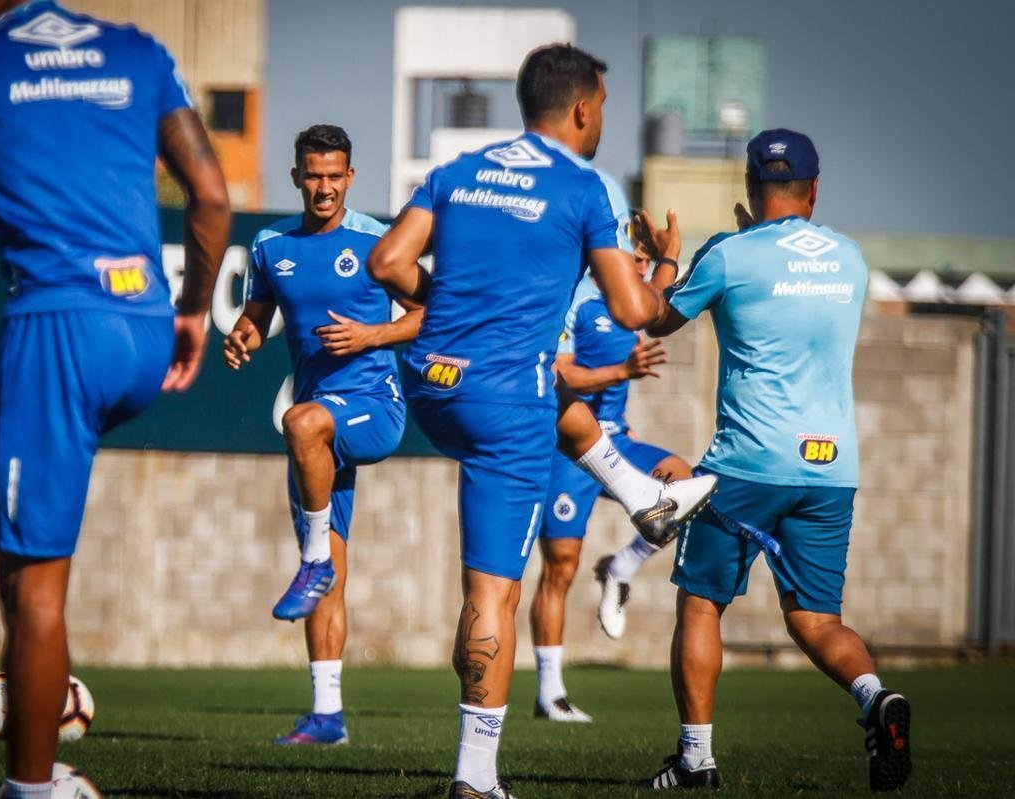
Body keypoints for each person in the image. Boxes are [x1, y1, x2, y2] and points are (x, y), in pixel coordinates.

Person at [0, 2, 231, 796]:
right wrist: (194, 310)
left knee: (35, 592)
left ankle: (28, 788)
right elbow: (210, 196)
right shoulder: (137, 49)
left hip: (57, 331)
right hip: (140, 325)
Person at [368, 43, 712, 799]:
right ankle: (475, 779)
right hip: (503, 401)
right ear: (585, 108)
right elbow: (632, 311)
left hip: (432, 380)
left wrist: (447, 303)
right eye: (603, 111)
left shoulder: (459, 170)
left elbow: (387, 262)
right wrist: (666, 272)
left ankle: (641, 496)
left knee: (564, 405)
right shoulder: (583, 188)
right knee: (493, 592)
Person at [633, 129, 911, 792]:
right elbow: (792, 269)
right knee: (815, 618)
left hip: (748, 464)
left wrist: (671, 259)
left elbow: (656, 318)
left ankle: (696, 757)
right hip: (830, 468)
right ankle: (876, 698)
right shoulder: (849, 258)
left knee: (701, 603)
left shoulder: (730, 253)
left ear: (751, 190)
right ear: (814, 189)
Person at [223, 124, 421, 747]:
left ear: (350, 178)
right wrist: (243, 338)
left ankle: (311, 561)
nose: (325, 187)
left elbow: (434, 311)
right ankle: (327, 716)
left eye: (336, 176)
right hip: (318, 425)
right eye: (314, 176)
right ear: (296, 178)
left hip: (374, 407)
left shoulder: (376, 243)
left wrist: (371, 337)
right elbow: (258, 318)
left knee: (300, 423)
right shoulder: (270, 245)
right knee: (329, 563)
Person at [531, 225, 693, 723]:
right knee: (559, 567)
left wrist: (670, 254)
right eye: (634, 259)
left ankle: (621, 566)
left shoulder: (636, 302)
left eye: (645, 262)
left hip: (619, 441)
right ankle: (549, 692)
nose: (641, 270)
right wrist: (621, 372)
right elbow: (557, 373)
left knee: (684, 483)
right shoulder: (577, 299)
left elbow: (661, 297)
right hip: (569, 447)